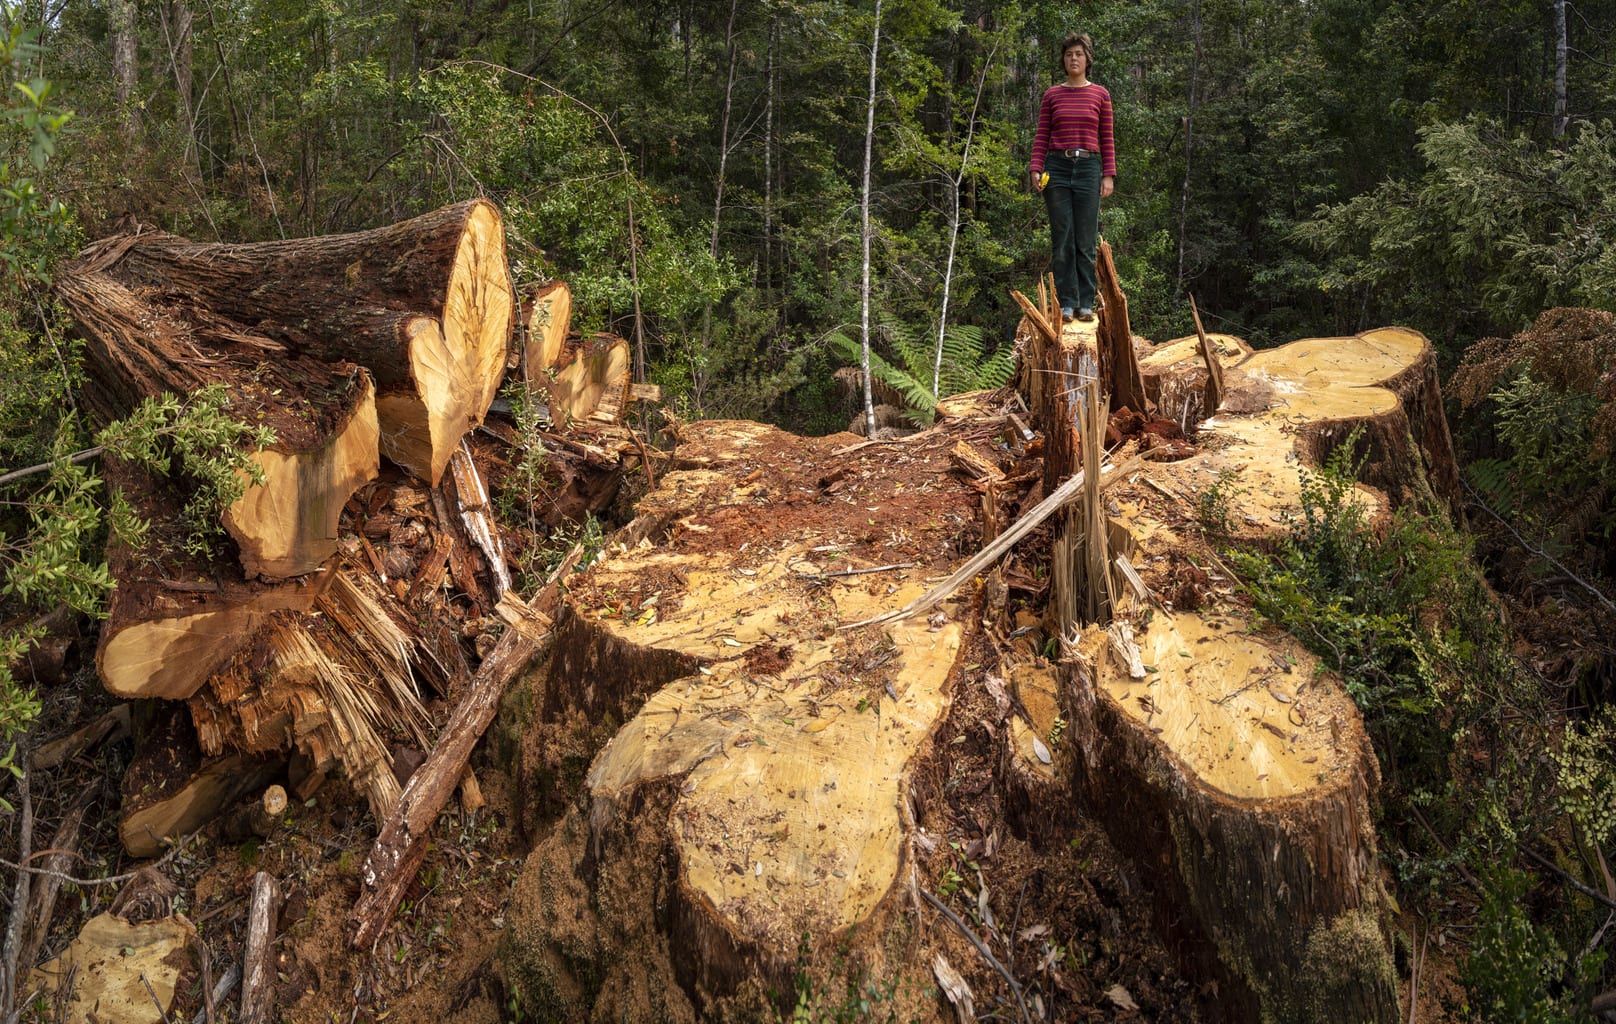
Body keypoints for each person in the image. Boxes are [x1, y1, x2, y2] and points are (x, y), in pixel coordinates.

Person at [1030, 32, 1115, 323]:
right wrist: (1035, 168)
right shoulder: (1052, 94)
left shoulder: (1100, 94)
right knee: (1062, 237)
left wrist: (1108, 174)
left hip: (1089, 169)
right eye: (1069, 55)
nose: (1073, 59)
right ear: (1064, 61)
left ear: (1087, 58)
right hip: (1057, 168)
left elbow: (1107, 138)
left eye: (1078, 54)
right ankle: (1066, 303)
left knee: (1086, 240)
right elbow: (1042, 134)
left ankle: (1086, 303)